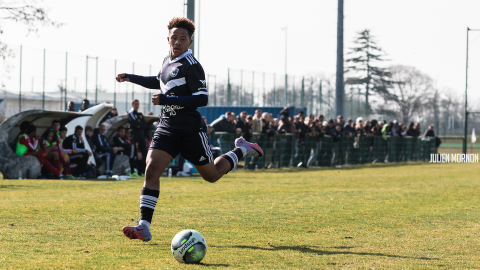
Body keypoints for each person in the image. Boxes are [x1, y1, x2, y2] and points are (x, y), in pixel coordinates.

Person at [115, 17, 263, 243]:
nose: (177, 42)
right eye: (174, 38)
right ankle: (144, 226)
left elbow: (201, 98)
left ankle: (241, 150)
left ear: (190, 42)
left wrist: (166, 98)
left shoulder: (192, 66)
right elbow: (159, 80)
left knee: (211, 175)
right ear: (168, 39)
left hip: (191, 131)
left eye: (182, 39)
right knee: (152, 169)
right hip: (166, 128)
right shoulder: (167, 60)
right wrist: (130, 77)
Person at [127, 99, 148, 176]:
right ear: (132, 105)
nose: (137, 105)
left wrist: (139, 125)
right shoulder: (130, 113)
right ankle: (132, 172)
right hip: (134, 136)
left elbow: (144, 124)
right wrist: (139, 124)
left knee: (145, 153)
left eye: (138, 104)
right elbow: (134, 123)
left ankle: (143, 171)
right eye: (135, 104)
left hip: (141, 136)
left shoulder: (140, 114)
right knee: (133, 154)